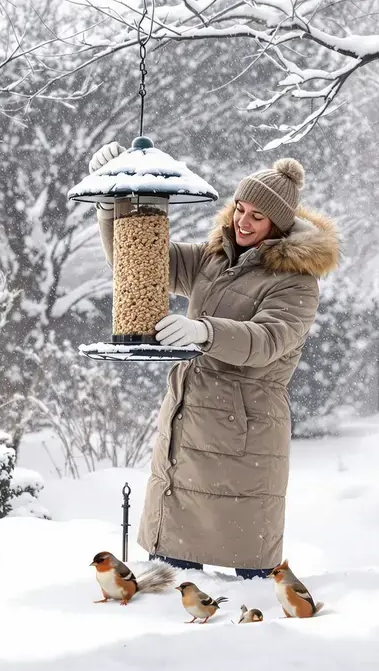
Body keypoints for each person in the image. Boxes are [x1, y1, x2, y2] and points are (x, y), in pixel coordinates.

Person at [90, 143, 340, 578]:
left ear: (278, 225)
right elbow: (137, 262)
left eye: (256, 216)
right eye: (240, 209)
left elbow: (268, 340)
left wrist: (204, 331)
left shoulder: (297, 282)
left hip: (245, 428)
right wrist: (115, 198)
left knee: (248, 567)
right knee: (175, 569)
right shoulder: (214, 258)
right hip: (188, 418)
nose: (242, 221)